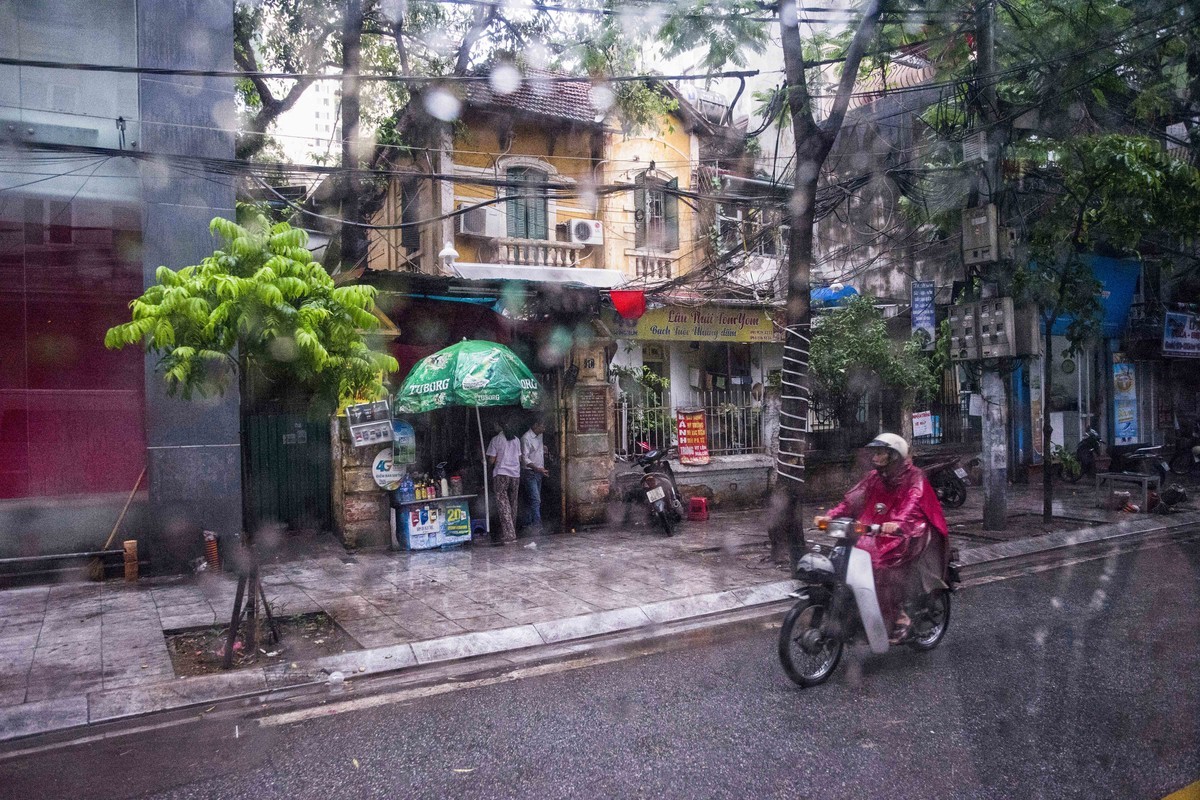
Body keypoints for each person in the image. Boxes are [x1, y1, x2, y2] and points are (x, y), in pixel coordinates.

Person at [815, 433, 949, 643]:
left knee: (881, 565)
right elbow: (851, 502)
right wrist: (830, 516)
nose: (875, 457)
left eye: (880, 453)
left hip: (909, 531)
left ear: (894, 455)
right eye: (874, 453)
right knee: (844, 556)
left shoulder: (915, 477)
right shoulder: (873, 478)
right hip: (875, 530)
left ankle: (899, 615)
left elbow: (912, 503)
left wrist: (897, 523)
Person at [486, 419, 522, 544]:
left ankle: (509, 534)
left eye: (495, 424)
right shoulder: (516, 440)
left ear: (498, 425)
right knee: (513, 503)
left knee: (503, 504)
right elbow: (519, 458)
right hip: (515, 474)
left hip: (501, 473)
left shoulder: (496, 440)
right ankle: (512, 531)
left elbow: (492, 460)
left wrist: (487, 464)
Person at [520, 419, 550, 531]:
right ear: (535, 425)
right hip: (530, 472)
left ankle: (527, 523)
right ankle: (537, 525)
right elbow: (524, 459)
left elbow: (538, 450)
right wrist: (537, 468)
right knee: (536, 499)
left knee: (532, 499)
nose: (544, 429)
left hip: (539, 472)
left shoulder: (539, 435)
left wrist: (544, 449)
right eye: (542, 426)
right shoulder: (526, 438)